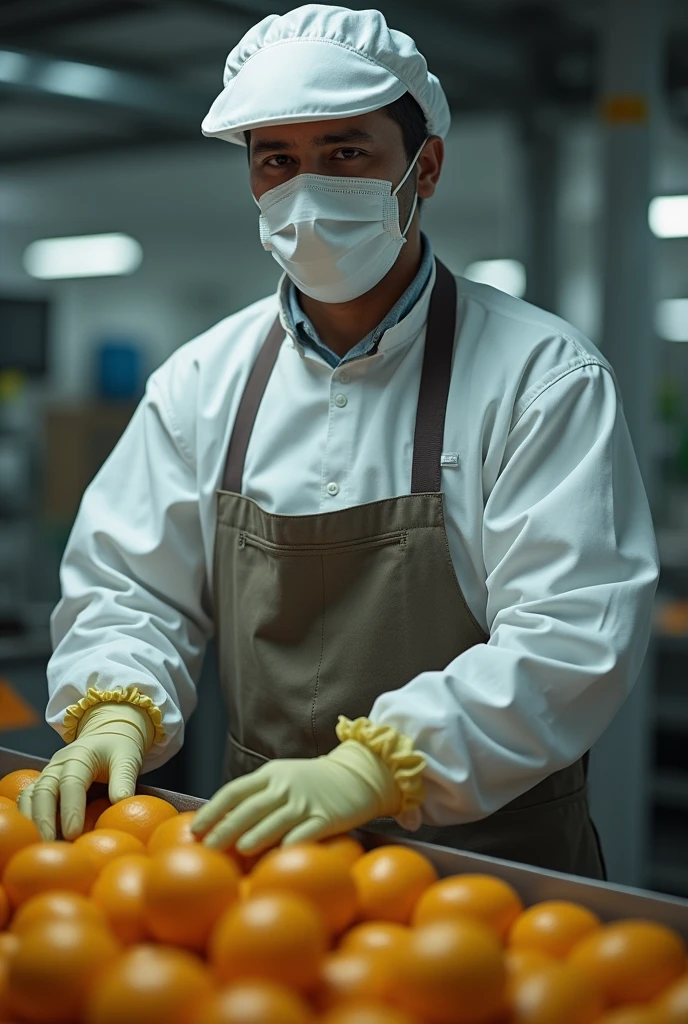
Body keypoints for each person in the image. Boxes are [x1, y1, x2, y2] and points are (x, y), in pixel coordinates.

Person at [21, 4, 658, 876]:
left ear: (423, 166)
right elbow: (133, 588)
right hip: (257, 860)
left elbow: (570, 631)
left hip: (487, 872)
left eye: (346, 153)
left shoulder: (541, 376)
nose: (306, 189)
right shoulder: (203, 381)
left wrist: (379, 765)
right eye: (276, 159)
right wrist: (115, 712)